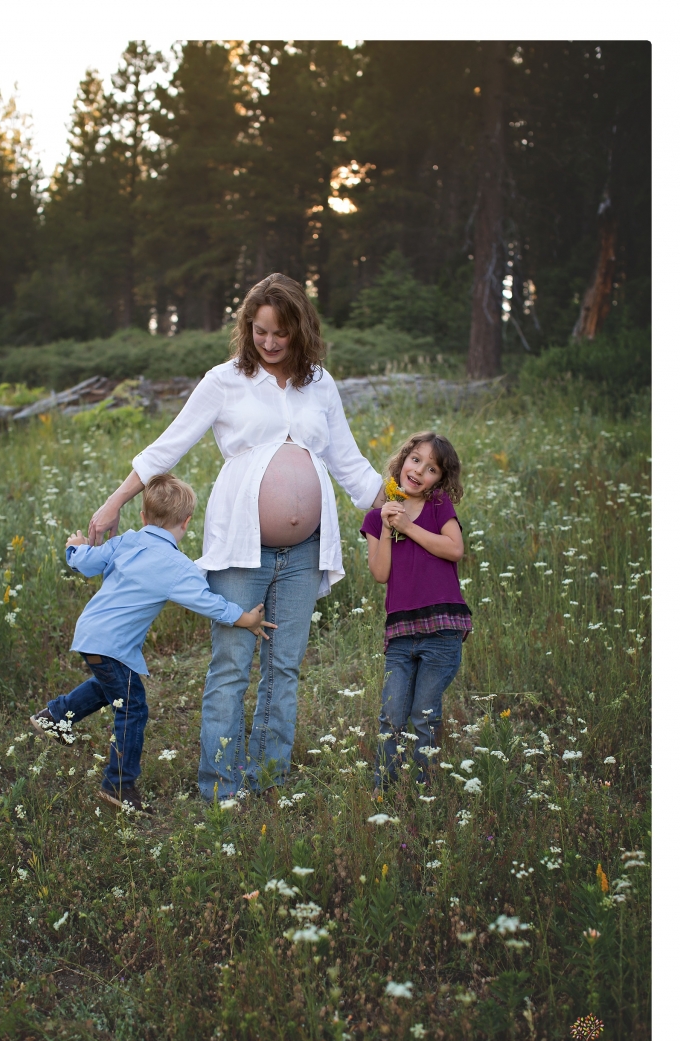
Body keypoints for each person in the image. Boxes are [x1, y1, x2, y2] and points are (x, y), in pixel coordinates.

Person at [88, 273, 384, 802]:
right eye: (259, 331)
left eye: (281, 334)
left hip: (306, 551)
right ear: (247, 327)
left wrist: (402, 508)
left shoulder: (321, 384)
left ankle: (268, 781)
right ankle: (221, 787)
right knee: (231, 665)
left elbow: (351, 463)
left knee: (285, 667)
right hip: (241, 546)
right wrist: (115, 502)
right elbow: (168, 445)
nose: (268, 343)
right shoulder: (224, 380)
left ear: (302, 331)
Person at [30, 474, 274, 813]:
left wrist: (75, 547)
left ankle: (55, 716)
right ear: (187, 522)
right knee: (132, 706)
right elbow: (208, 602)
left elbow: (85, 563)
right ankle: (119, 782)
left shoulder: (124, 542)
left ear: (143, 517)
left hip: (93, 633)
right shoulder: (176, 566)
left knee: (111, 687)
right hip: (111, 642)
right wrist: (245, 618)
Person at [360, 432, 472, 790]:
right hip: (401, 633)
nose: (420, 470)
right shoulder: (377, 518)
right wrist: (390, 522)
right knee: (391, 716)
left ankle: (422, 790)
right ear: (402, 460)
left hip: (442, 628)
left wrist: (408, 526)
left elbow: (455, 549)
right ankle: (385, 789)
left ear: (440, 479)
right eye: (416, 460)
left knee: (423, 716)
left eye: (432, 468)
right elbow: (380, 574)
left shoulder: (438, 506)